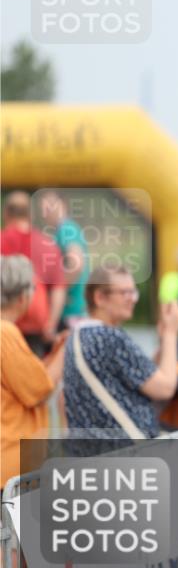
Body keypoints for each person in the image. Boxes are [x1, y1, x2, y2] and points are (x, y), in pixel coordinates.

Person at [63, 264, 178, 439]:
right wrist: (172, 332)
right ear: (99, 298)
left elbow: (144, 374)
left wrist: (164, 337)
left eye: (133, 292)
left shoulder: (78, 335)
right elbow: (164, 388)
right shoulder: (110, 338)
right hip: (128, 451)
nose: (132, 299)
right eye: (124, 293)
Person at [1, 255, 64, 486]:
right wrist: (67, 351)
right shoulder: (5, 333)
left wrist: (53, 356)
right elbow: (39, 390)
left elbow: (24, 377)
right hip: (10, 466)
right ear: (22, 297)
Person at [0, 191, 66, 355]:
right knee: (34, 375)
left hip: (5, 323)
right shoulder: (47, 244)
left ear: (6, 213)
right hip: (37, 326)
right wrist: (50, 324)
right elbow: (59, 288)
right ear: (30, 214)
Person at [38, 189, 89, 328]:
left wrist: (58, 292)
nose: (46, 210)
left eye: (50, 205)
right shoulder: (63, 230)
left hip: (70, 312)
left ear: (63, 205)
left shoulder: (66, 229)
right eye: (43, 207)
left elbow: (76, 264)